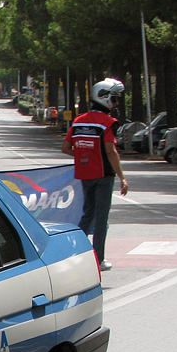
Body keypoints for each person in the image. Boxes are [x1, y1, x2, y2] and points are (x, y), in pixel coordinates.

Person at [61, 78, 129, 271]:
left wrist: (84, 155)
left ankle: (76, 253)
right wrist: (122, 177)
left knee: (87, 215)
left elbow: (66, 148)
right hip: (103, 176)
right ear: (105, 98)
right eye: (114, 99)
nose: (116, 104)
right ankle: (98, 258)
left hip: (85, 175)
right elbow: (110, 151)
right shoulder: (108, 123)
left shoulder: (78, 121)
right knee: (101, 218)